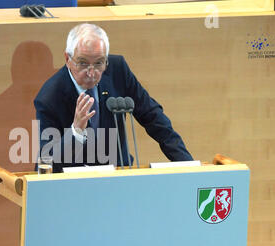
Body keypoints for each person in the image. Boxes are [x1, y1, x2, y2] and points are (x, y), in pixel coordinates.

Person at [34, 23, 193, 172]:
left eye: (99, 63)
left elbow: (153, 116)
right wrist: (75, 132)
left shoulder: (118, 69)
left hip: (118, 173)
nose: (91, 72)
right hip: (75, 182)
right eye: (82, 63)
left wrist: (187, 164)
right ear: (68, 59)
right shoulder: (49, 97)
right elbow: (46, 160)